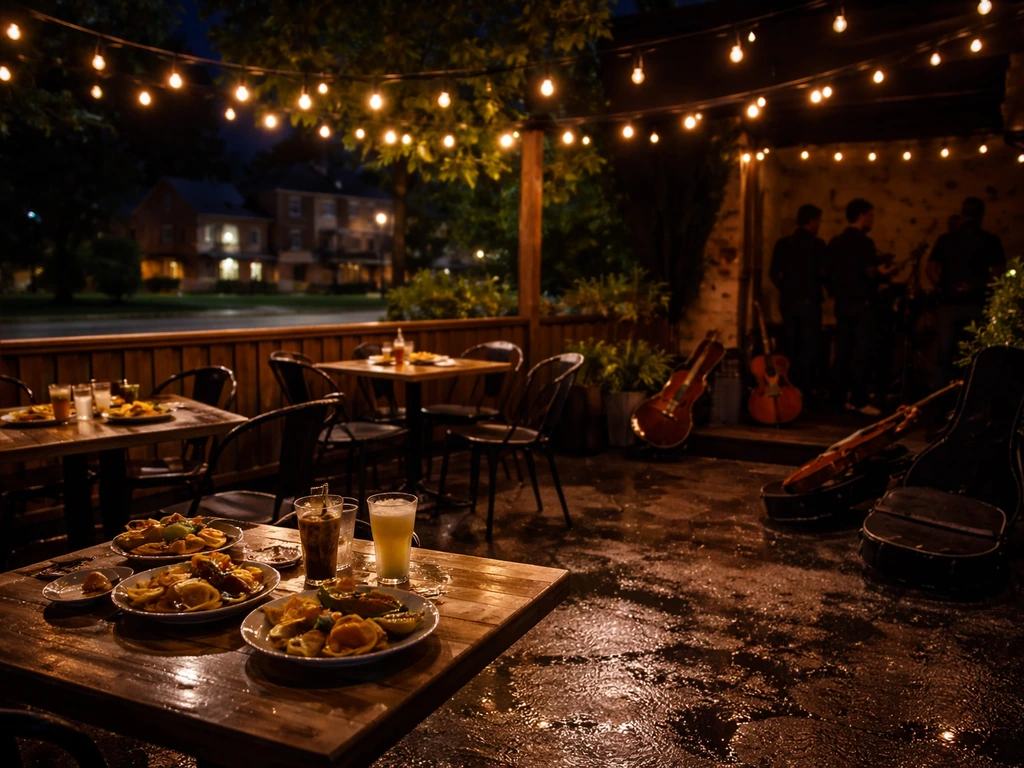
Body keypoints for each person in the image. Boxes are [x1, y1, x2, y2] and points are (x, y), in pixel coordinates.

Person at [827, 199, 899, 416]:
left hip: (842, 302)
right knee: (861, 352)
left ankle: (838, 398)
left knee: (842, 351)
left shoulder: (835, 242)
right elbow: (870, 273)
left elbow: (828, 273)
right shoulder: (864, 243)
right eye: (870, 215)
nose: (872, 220)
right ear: (862, 215)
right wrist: (886, 273)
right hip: (861, 303)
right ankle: (858, 399)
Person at [927, 196, 1005, 387]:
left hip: (951, 303)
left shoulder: (947, 240)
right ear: (981, 216)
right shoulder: (990, 240)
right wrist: (983, 287)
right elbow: (998, 273)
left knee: (945, 355)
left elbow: (930, 268)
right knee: (977, 355)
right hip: (976, 303)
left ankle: (940, 397)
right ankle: (972, 395)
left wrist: (944, 285)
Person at [769, 203, 829, 396]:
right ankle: (804, 390)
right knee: (809, 348)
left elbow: (773, 273)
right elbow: (824, 274)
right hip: (809, 303)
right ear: (812, 221)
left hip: (789, 302)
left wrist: (786, 289)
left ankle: (786, 386)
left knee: (789, 346)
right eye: (818, 221)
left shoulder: (783, 244)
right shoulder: (817, 245)